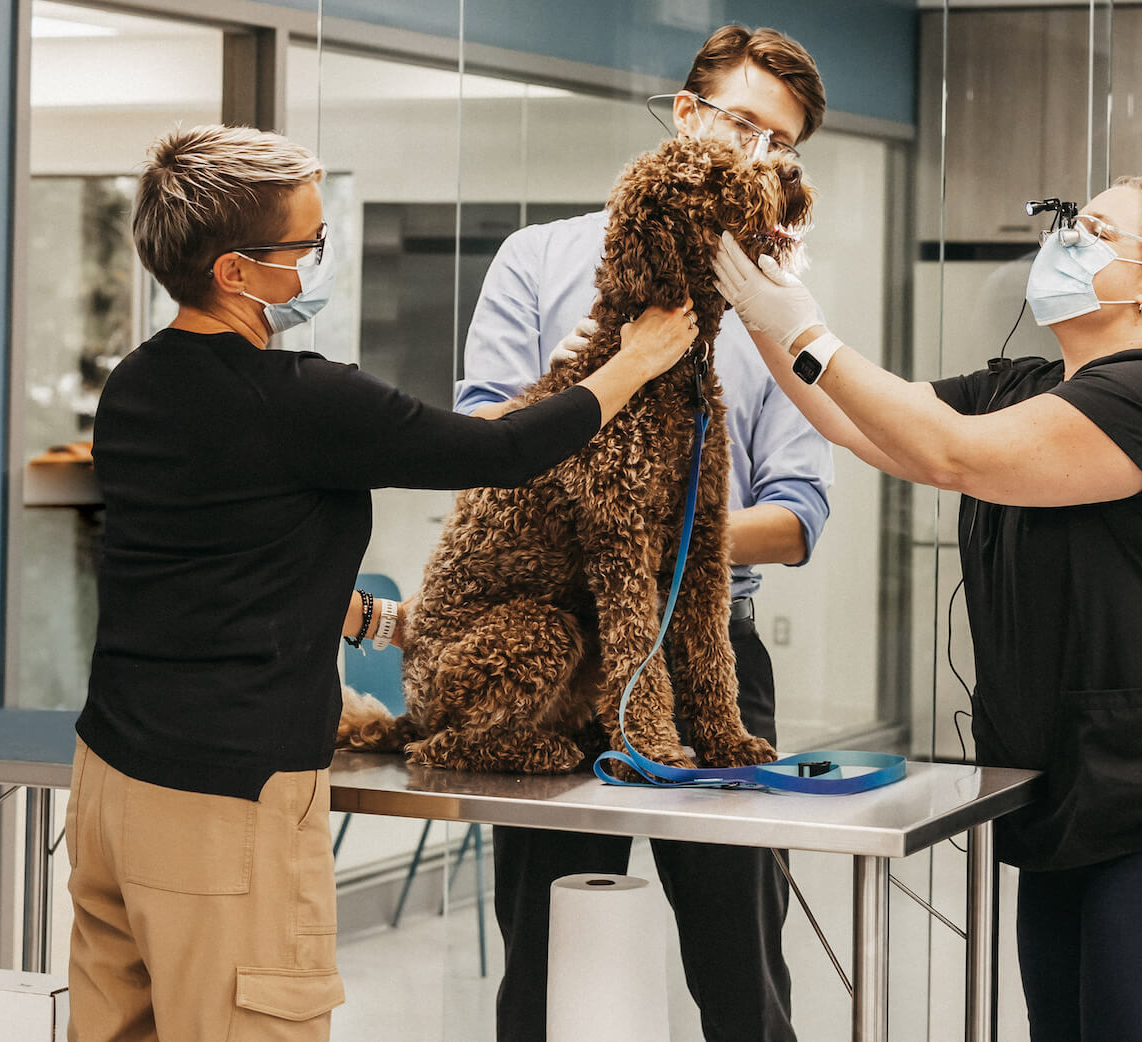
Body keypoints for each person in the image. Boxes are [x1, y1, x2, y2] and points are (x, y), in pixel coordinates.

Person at [63, 124, 701, 1042]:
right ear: (237, 272)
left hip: (113, 781)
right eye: (308, 246)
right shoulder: (302, 399)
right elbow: (501, 450)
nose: (323, 260)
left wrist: (374, 616)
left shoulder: (136, 384)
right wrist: (632, 362)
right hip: (227, 802)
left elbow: (209, 551)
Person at [713, 176, 1142, 1042]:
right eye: (1066, 221)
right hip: (1075, 795)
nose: (1065, 239)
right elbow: (854, 422)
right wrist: (761, 302)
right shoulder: (1022, 384)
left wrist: (803, 322)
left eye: (1095, 229)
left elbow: (951, 455)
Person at [455, 25, 833, 1042]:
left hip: (709, 651)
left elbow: (798, 516)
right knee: (542, 959)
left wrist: (663, 554)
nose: (757, 156)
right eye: (745, 125)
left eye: (780, 146)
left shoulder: (782, 307)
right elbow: (485, 437)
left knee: (740, 962)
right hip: (559, 651)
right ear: (685, 113)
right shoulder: (539, 263)